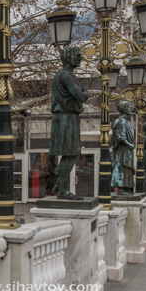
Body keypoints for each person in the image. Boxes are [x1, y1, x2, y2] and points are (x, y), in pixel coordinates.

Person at [49, 45, 89, 200]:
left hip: (66, 118)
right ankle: (62, 190)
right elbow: (80, 96)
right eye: (78, 55)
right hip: (66, 118)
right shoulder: (66, 76)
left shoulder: (63, 75)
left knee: (69, 154)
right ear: (70, 57)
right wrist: (86, 92)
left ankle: (59, 186)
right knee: (70, 154)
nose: (80, 58)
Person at [111, 101, 136, 193]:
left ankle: (125, 187)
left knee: (126, 169)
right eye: (129, 107)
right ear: (125, 109)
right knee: (122, 167)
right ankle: (121, 189)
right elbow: (121, 137)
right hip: (122, 151)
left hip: (125, 150)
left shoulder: (125, 121)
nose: (131, 109)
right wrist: (130, 145)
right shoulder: (121, 121)